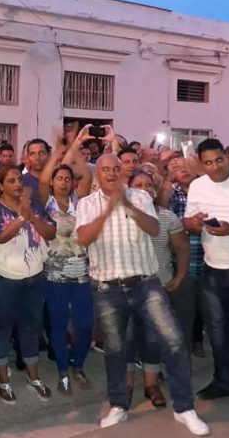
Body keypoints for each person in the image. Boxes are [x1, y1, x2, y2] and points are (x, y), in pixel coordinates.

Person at [75, 154, 208, 436]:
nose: (110, 173)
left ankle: (184, 408)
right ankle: (118, 405)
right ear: (96, 174)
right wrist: (106, 210)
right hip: (107, 287)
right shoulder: (86, 203)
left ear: (122, 171)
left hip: (145, 284)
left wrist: (125, 205)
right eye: (104, 169)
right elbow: (84, 238)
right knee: (115, 349)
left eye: (115, 168)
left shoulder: (140, 196)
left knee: (173, 340)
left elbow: (155, 228)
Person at [184, 138, 229, 402]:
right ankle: (222, 381)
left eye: (219, 160)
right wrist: (194, 222)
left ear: (228, 156)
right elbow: (190, 225)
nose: (215, 167)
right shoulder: (198, 185)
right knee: (218, 331)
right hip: (213, 269)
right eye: (208, 163)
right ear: (201, 164)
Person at [0, 165, 56, 404]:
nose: (17, 184)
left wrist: (31, 215)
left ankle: (33, 378)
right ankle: (4, 381)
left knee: (30, 327)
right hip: (4, 279)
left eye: (18, 180)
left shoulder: (33, 207)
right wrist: (23, 217)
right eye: (10, 181)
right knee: (2, 328)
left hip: (33, 278)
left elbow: (51, 233)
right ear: (0, 186)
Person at [125, 169, 191, 408]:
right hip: (127, 285)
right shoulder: (120, 216)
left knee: (153, 339)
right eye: (138, 184)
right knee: (127, 338)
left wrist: (180, 275)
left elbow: (182, 247)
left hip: (158, 285)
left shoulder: (167, 217)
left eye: (148, 184)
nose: (144, 188)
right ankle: (127, 385)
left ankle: (151, 385)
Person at [36, 132, 93, 395]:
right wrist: (57, 151)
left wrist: (76, 146)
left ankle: (78, 364)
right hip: (55, 277)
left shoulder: (80, 203)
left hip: (81, 274)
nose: (63, 181)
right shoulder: (46, 203)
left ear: (72, 183)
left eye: (67, 178)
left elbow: (88, 176)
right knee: (58, 324)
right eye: (59, 178)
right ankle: (62, 371)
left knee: (84, 324)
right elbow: (44, 180)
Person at [168, 157, 206, 358]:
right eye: (179, 168)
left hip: (207, 254)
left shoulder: (206, 192)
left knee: (203, 306)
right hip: (183, 258)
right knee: (184, 305)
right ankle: (183, 344)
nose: (183, 171)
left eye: (187, 167)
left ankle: (197, 339)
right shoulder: (173, 195)